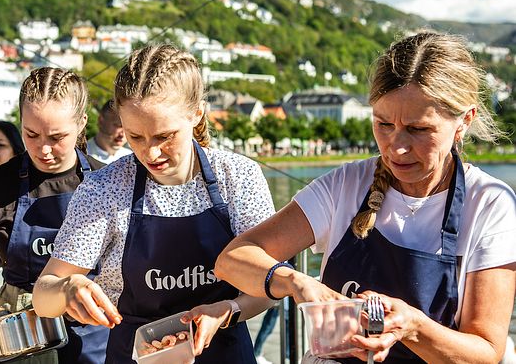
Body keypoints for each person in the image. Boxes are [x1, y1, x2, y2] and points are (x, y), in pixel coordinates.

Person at [215, 32, 516, 363]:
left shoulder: (489, 203)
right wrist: (294, 281)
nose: (396, 147)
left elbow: (486, 352)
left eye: (418, 129)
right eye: (383, 124)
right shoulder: (346, 184)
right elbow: (232, 260)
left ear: (464, 121)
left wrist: (413, 327)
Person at [34, 44, 276, 364]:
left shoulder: (239, 177)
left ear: (197, 113)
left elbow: (267, 286)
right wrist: (67, 289)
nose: (151, 153)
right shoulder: (104, 187)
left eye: (164, 136)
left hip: (225, 350)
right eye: (136, 137)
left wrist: (229, 310)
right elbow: (42, 296)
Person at [0, 67, 109, 364]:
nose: (43, 148)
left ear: (82, 124)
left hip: (92, 330)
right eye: (31, 134)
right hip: (19, 333)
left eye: (57, 137)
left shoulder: (107, 184)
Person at [85, 100, 132, 164]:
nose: (123, 134)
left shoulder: (131, 159)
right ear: (101, 121)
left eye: (128, 128)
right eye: (119, 125)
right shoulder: (82, 156)